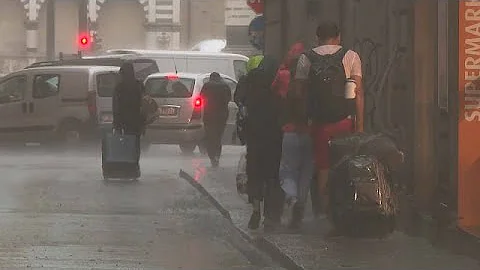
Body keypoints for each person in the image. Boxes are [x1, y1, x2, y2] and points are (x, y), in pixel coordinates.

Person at [294, 22, 364, 218]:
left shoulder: (306, 58)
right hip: (345, 121)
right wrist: (360, 126)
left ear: (317, 37)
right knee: (346, 165)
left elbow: (298, 94)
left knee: (323, 167)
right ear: (339, 36)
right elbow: (359, 93)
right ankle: (346, 209)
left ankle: (326, 213)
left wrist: (303, 121)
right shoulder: (351, 56)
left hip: (319, 124)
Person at [273, 42, 312, 229]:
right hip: (309, 132)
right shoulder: (313, 83)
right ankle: (301, 204)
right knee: (306, 172)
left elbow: (275, 95)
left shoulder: (285, 77)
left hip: (289, 131)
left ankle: (292, 197)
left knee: (288, 170)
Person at [243, 56, 284, 230]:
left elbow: (241, 103)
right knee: (273, 178)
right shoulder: (278, 85)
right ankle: (271, 217)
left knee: (255, 176)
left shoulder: (251, 84)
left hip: (254, 139)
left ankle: (256, 210)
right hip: (274, 140)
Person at [111, 62, 145, 177]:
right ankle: (134, 166)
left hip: (124, 121)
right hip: (137, 121)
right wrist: (144, 122)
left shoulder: (119, 88)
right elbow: (145, 104)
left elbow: (116, 107)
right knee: (135, 145)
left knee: (125, 145)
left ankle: (126, 168)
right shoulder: (139, 85)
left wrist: (116, 125)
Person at [200, 72, 232, 167]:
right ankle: (217, 154)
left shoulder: (207, 86)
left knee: (210, 135)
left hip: (209, 114)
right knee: (218, 136)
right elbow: (229, 98)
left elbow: (202, 96)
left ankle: (212, 156)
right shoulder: (225, 86)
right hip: (222, 114)